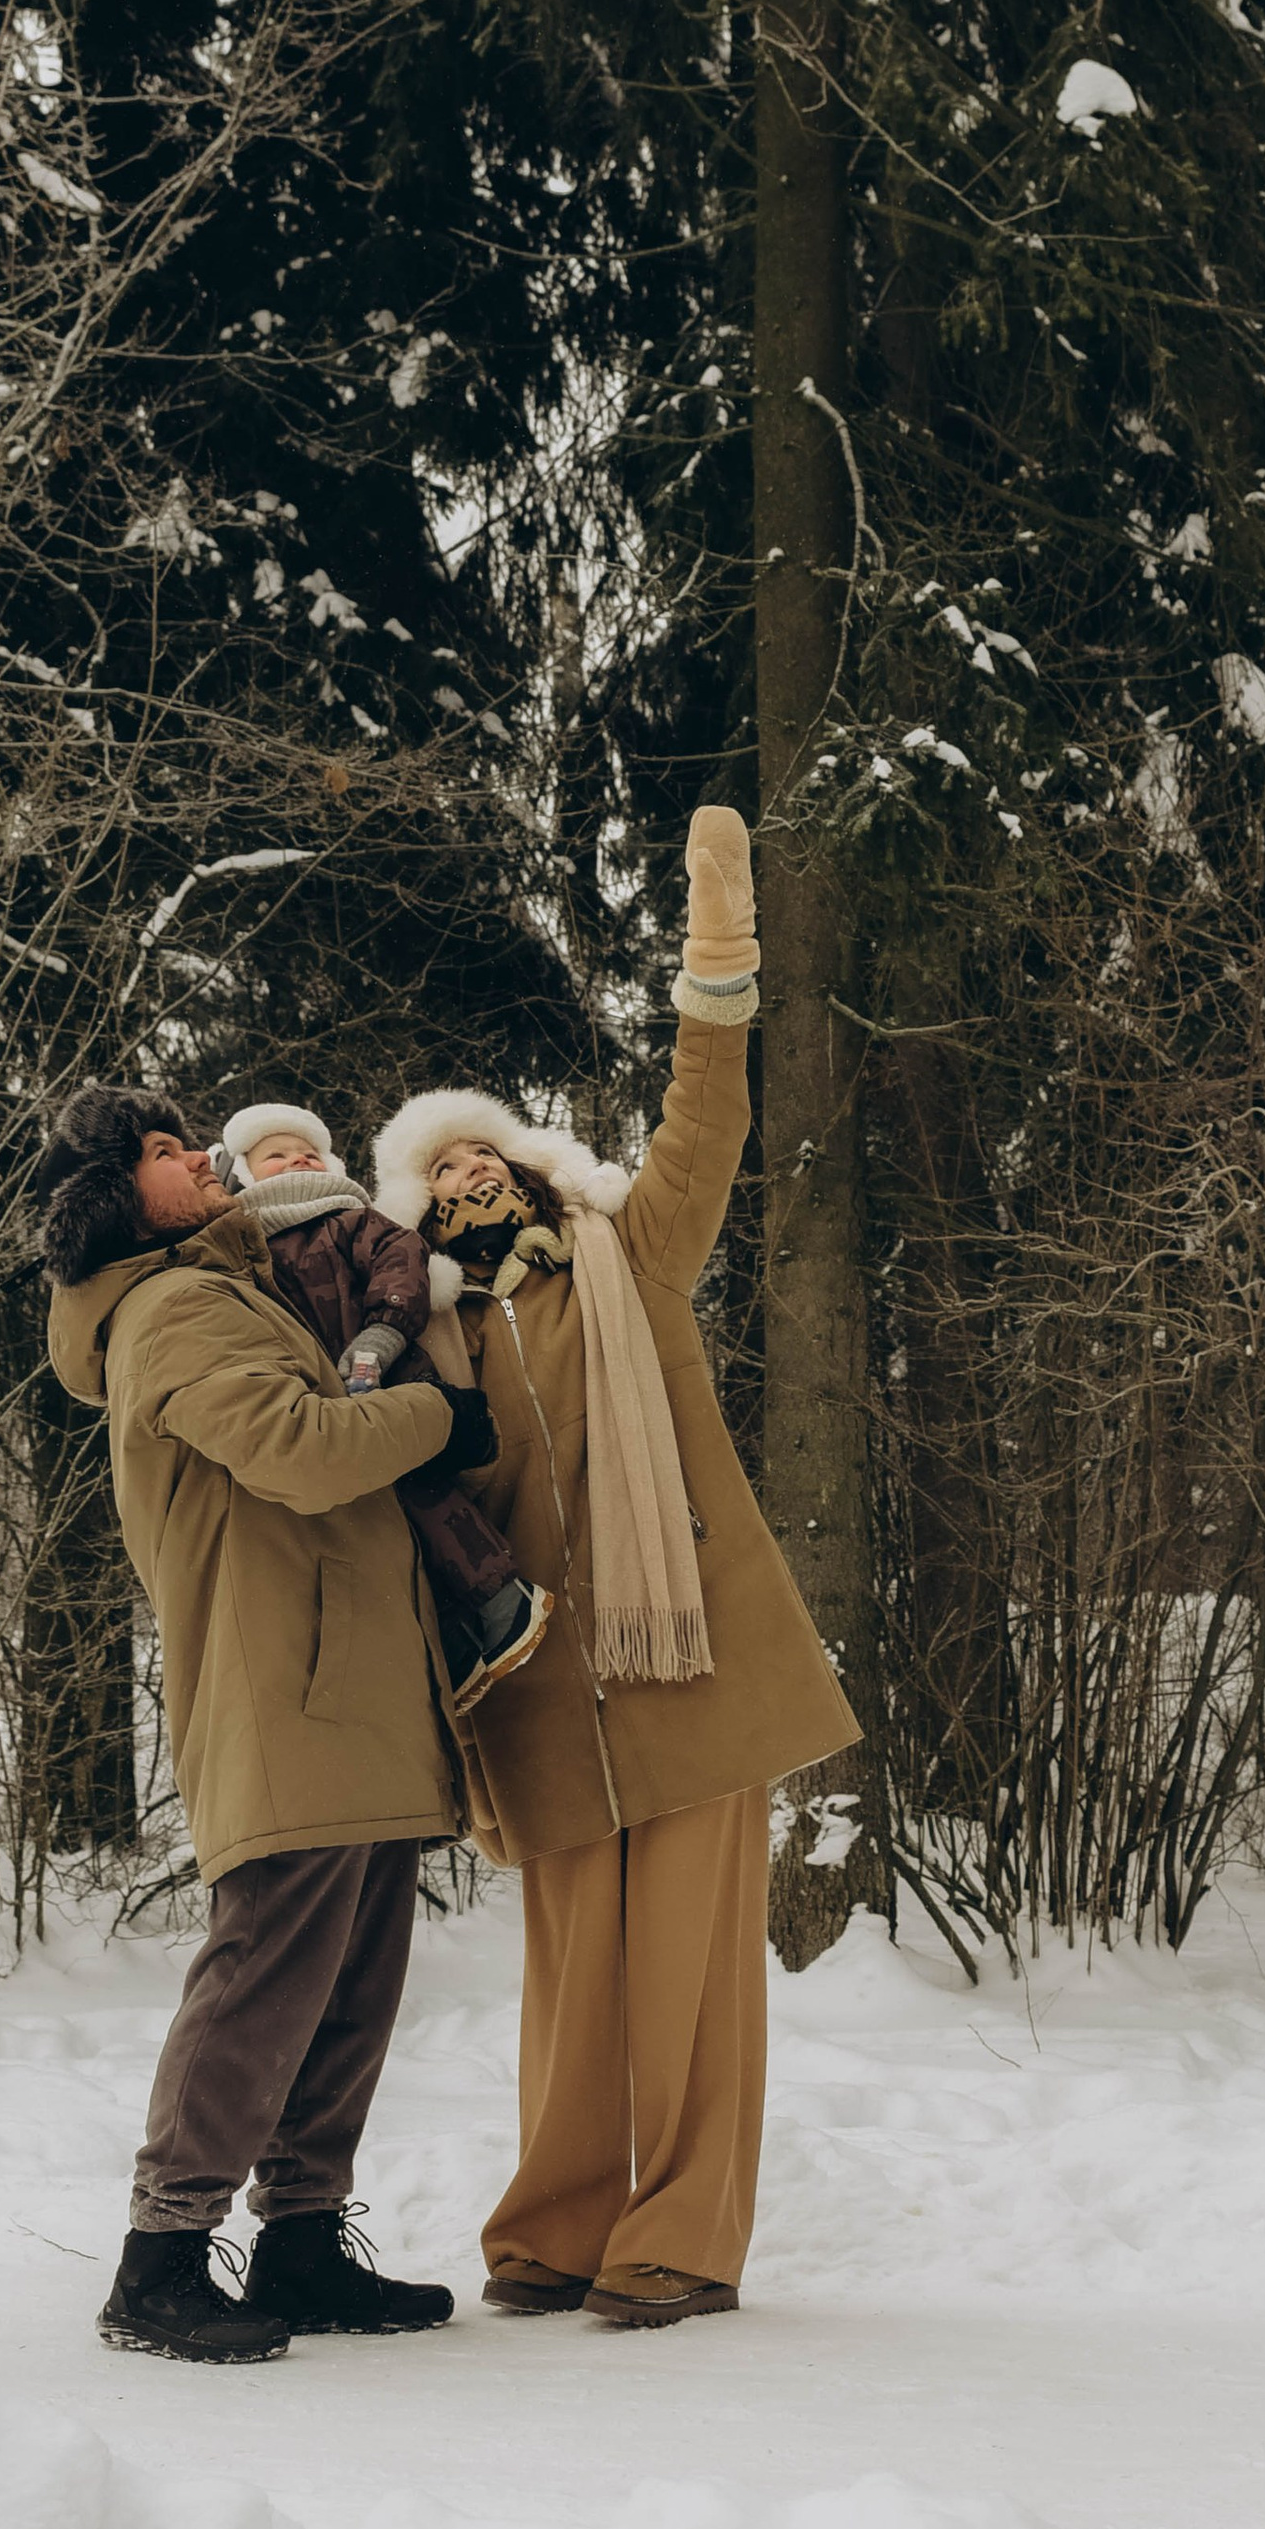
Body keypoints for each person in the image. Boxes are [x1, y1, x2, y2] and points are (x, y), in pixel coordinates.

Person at [369, 807, 860, 2328]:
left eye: (481, 1156)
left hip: (694, 1656)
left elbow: (705, 1121)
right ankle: (559, 2225)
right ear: (415, 1217)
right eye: (433, 1175)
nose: (463, 1181)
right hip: (537, 1681)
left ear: (531, 1166)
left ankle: (682, 2239)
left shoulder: (631, 1257)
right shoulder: (421, 1347)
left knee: (695, 1974)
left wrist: (721, 949)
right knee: (577, 1973)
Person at [35, 1087, 494, 2365]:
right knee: (267, 1969)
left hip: (346, 1675)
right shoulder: (171, 1308)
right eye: (170, 1151)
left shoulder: (231, 1289)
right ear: (124, 1194)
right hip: (277, 1677)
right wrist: (436, 1422)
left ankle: (299, 2237)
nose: (202, 1157)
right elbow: (292, 1448)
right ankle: (161, 2259)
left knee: (351, 1976)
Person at [220, 1103, 554, 1697]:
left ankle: (503, 1599)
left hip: (389, 1378)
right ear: (242, 1173)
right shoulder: (241, 1254)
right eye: (275, 1153)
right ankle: (452, 1646)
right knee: (375, 1534)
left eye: (308, 1151)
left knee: (431, 1501)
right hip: (315, 1409)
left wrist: (385, 1328)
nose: (298, 1158)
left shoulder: (349, 1219)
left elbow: (402, 1261)